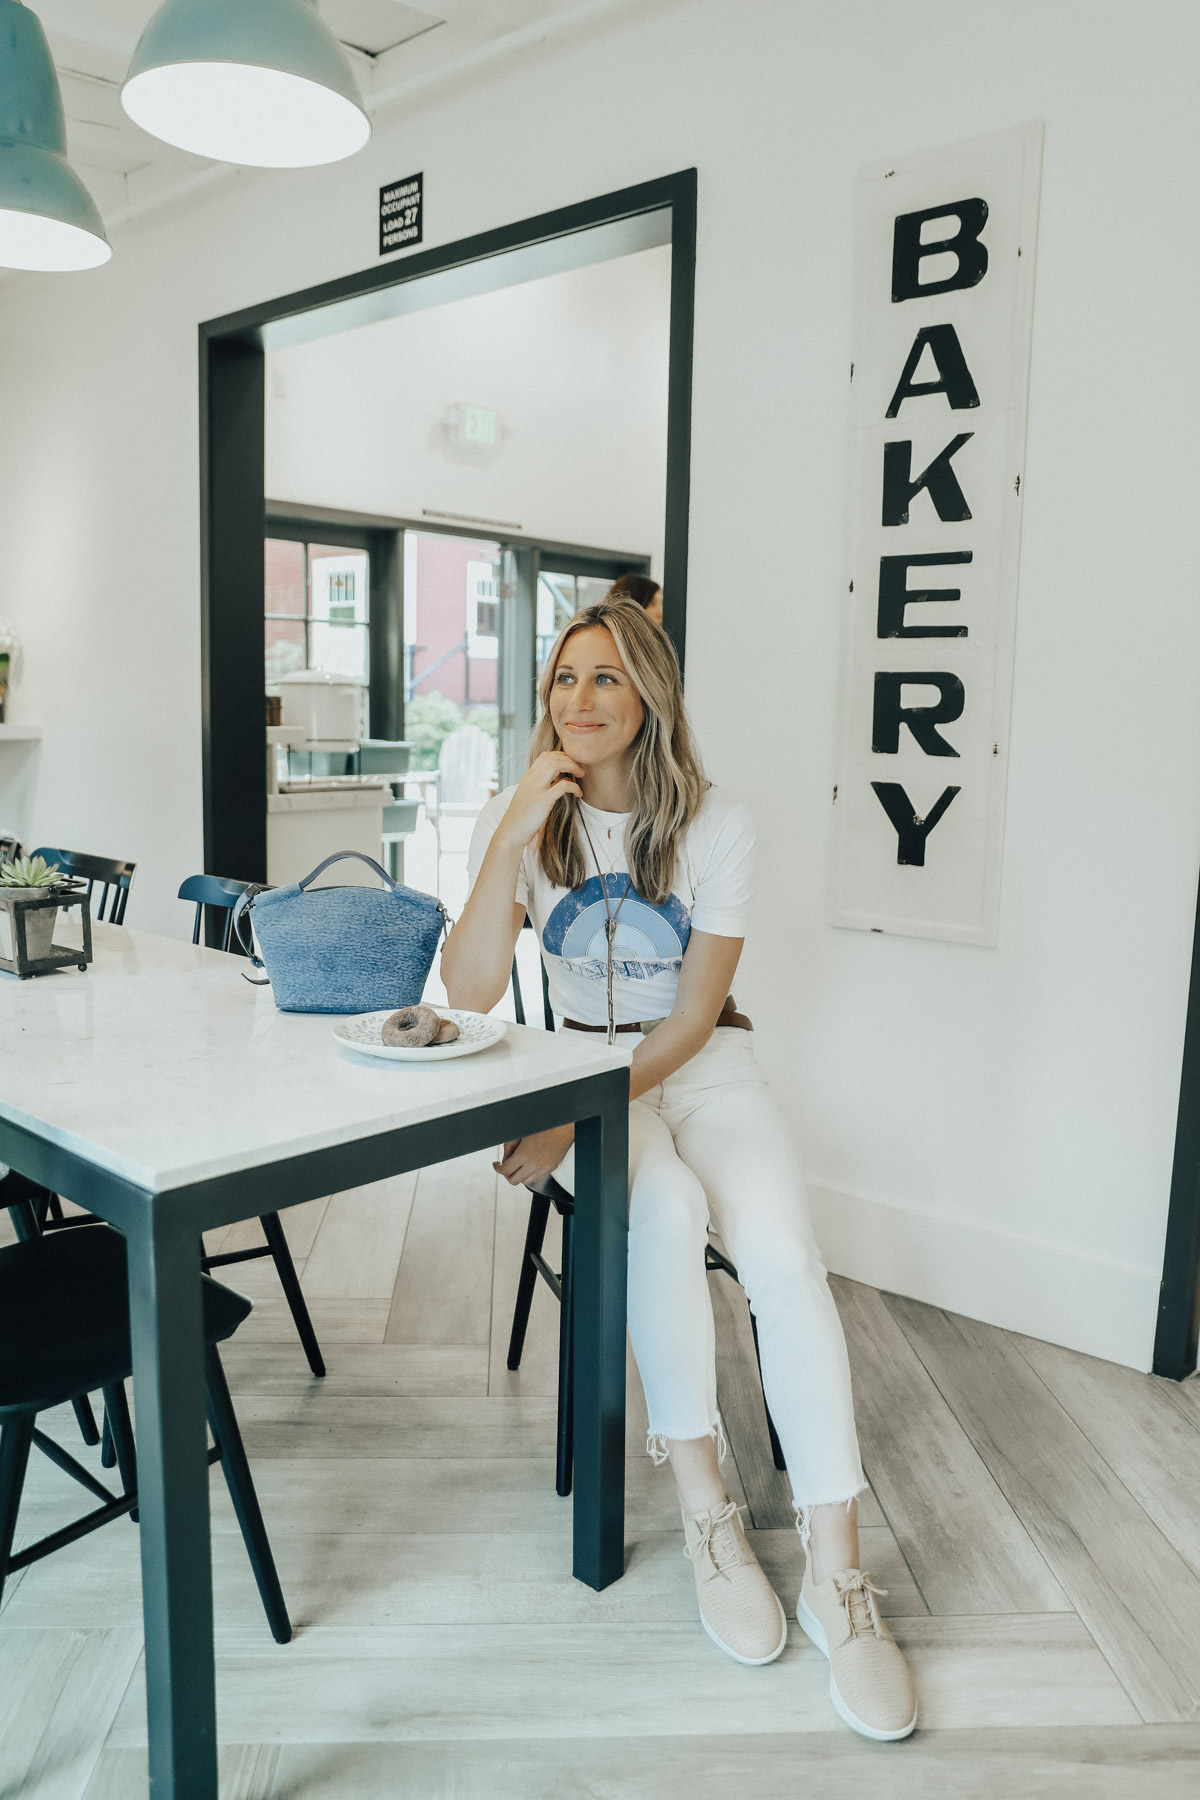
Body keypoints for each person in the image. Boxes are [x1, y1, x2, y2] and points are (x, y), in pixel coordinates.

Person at [441, 597, 917, 1741]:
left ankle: (837, 1574)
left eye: (606, 678)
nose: (579, 700)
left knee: (785, 1256)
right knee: (660, 1210)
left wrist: (565, 1128)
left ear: (650, 694)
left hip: (699, 1068)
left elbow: (696, 1018)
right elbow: (461, 991)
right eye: (563, 679)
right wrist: (507, 837)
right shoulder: (529, 822)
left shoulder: (715, 822)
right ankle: (708, 1515)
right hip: (581, 1075)